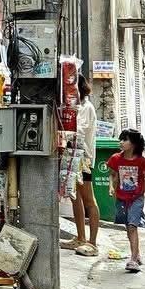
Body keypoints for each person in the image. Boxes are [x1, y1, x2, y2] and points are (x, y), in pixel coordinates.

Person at [106, 127, 145, 274]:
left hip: (137, 198)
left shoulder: (140, 161)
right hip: (122, 198)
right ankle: (137, 254)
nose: (121, 142)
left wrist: (141, 179)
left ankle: (133, 260)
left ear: (133, 144)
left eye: (125, 140)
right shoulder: (116, 159)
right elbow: (112, 174)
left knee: (132, 226)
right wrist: (111, 187)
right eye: (121, 139)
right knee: (128, 227)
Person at [65, 74, 99, 257]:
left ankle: (92, 243)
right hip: (71, 156)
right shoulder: (75, 106)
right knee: (75, 197)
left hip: (83, 158)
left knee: (88, 199)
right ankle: (80, 237)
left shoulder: (86, 107)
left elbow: (78, 131)